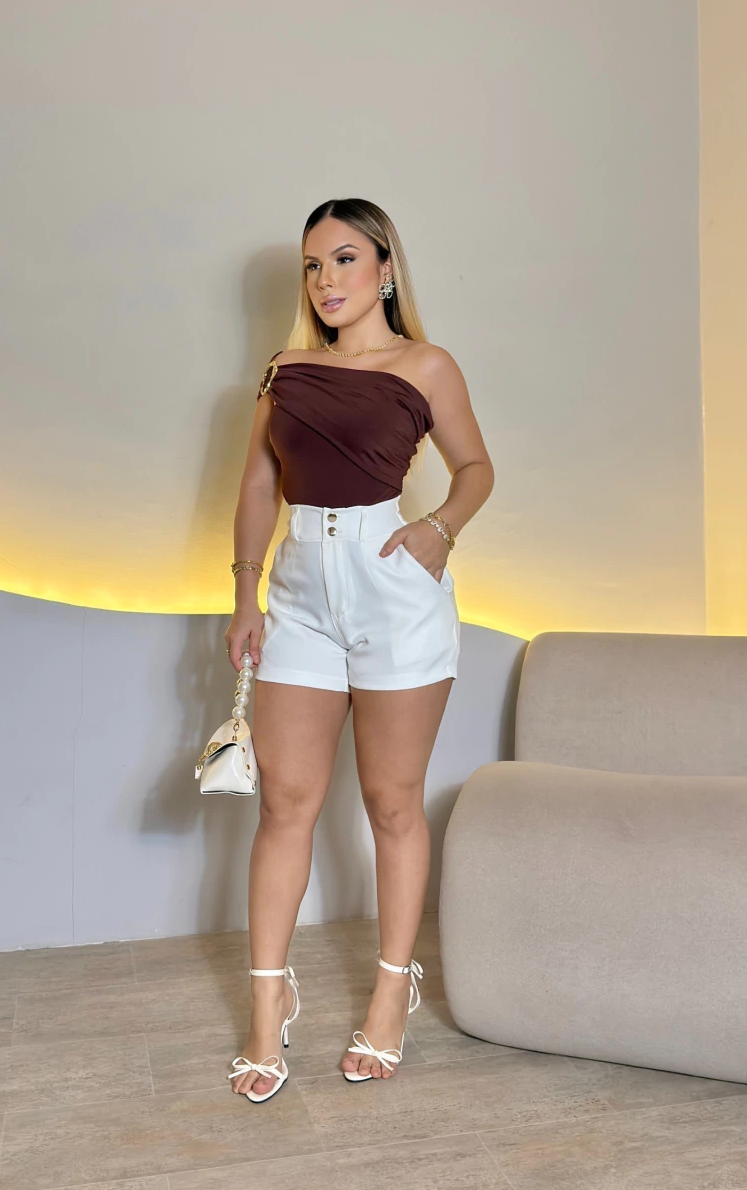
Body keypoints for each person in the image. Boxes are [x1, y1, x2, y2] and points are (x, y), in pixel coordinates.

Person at [224, 197, 494, 1102]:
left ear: (385, 268)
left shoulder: (426, 365)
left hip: (393, 586)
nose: (325, 279)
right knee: (285, 802)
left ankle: (389, 995)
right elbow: (258, 484)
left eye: (343, 258)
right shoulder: (285, 370)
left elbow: (477, 466)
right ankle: (268, 1005)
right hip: (299, 592)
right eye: (312, 264)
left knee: (390, 801)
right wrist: (245, 592)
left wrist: (440, 529)